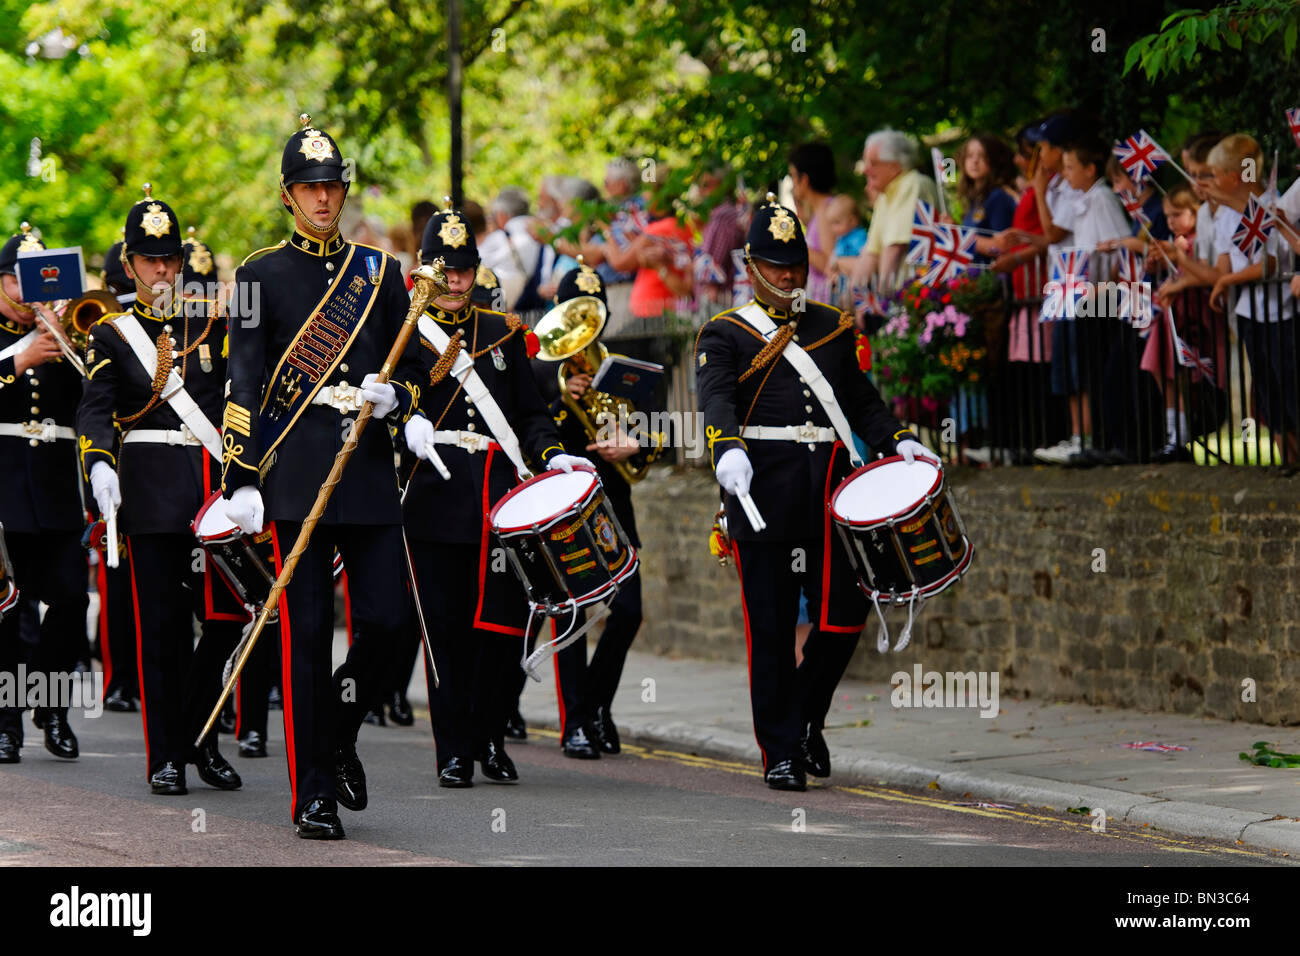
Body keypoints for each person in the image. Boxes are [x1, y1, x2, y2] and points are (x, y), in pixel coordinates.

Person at [220, 115, 424, 840]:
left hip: (365, 467)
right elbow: (242, 377)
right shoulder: (257, 275)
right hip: (297, 470)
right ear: (287, 194)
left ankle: (339, 728)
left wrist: (400, 403)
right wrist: (239, 477)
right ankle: (313, 795)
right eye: (310, 188)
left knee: (391, 624)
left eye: (332, 186)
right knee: (305, 634)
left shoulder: (382, 272)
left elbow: (417, 371)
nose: (323, 199)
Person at [694, 195, 937, 791]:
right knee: (771, 626)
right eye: (776, 265)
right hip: (761, 488)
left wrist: (899, 440)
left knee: (846, 611)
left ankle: (804, 717)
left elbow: (860, 401)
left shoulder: (830, 325)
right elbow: (717, 399)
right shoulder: (722, 333)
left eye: (796, 263)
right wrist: (727, 449)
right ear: (751, 268)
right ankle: (779, 748)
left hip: (829, 488)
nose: (788, 275)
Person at [400, 206, 589, 787]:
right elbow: (380, 403)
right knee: (447, 633)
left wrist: (552, 453)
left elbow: (531, 415)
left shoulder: (504, 335)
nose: (454, 282)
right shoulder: (404, 336)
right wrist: (406, 420)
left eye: (463, 271)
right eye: (443, 270)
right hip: (434, 498)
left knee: (506, 630)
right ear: (423, 273)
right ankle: (454, 749)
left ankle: (486, 733)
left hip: (499, 501)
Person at [76, 189, 244, 796]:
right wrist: (99, 463)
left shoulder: (211, 325)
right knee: (163, 630)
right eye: (150, 259)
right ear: (129, 262)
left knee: (228, 620)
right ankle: (167, 755)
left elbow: (236, 401)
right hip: (150, 495)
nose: (163, 269)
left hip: (209, 492)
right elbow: (96, 410)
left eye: (169, 258)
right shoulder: (112, 334)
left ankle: (198, 736)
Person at [543, 262, 645, 759]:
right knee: (571, 616)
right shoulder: (544, 374)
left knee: (629, 612)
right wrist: (562, 400)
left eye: (593, 317)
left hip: (614, 509)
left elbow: (656, 434)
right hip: (566, 512)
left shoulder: (620, 369)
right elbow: (533, 435)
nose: (586, 330)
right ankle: (575, 722)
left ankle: (597, 704)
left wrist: (635, 445)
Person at [0, 222, 87, 765]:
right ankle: (6, 721)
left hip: (57, 486)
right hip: (5, 485)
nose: (28, 295)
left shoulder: (67, 332)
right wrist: (17, 360)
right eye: (17, 282)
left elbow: (99, 399)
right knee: (8, 608)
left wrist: (71, 341)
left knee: (72, 599)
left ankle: (50, 707)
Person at [851, 129, 939, 291]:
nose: (865, 170)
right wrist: (859, 301)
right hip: (905, 296)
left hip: (917, 295)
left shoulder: (913, 183)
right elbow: (870, 254)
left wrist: (883, 302)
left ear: (894, 166)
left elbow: (895, 249)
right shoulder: (886, 195)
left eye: (873, 163)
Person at [788, 142, 837, 302]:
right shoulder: (820, 210)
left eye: (793, 176)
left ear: (805, 180)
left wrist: (796, 243)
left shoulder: (826, 209)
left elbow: (829, 264)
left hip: (827, 304)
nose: (792, 183)